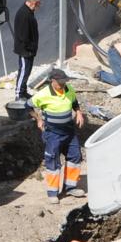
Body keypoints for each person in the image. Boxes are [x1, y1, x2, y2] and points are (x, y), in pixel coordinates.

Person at [30, 68, 86, 204]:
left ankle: (70, 187)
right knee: (53, 161)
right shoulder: (43, 94)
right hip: (53, 133)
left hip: (69, 131)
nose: (63, 84)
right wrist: (38, 119)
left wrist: (78, 112)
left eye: (64, 81)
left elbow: (74, 102)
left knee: (75, 157)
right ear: (52, 81)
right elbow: (28, 106)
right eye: (60, 82)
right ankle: (53, 193)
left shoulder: (69, 89)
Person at [13, 0, 41, 100]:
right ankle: (18, 94)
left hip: (29, 50)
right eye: (39, 3)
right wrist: (30, 48)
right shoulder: (24, 14)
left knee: (27, 72)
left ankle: (23, 92)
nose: (39, 6)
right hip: (25, 50)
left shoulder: (28, 11)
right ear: (34, 3)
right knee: (23, 72)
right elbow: (23, 36)